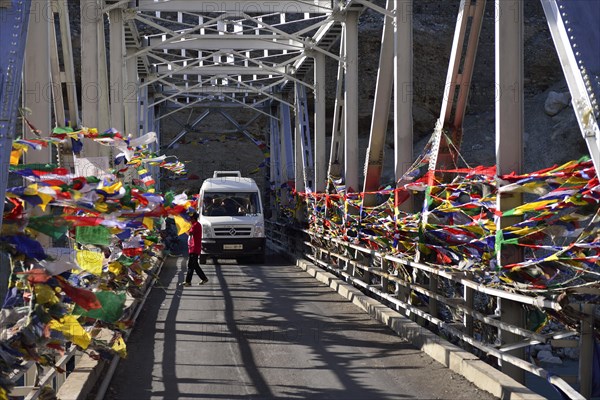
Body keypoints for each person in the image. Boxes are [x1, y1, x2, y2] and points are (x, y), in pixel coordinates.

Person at [182, 211, 209, 286]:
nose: (189, 220)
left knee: (191, 265)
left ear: (193, 219)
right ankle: (204, 278)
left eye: (190, 219)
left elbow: (190, 233)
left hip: (194, 248)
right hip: (193, 247)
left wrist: (184, 230)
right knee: (195, 265)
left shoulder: (196, 225)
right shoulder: (195, 225)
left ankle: (188, 281)